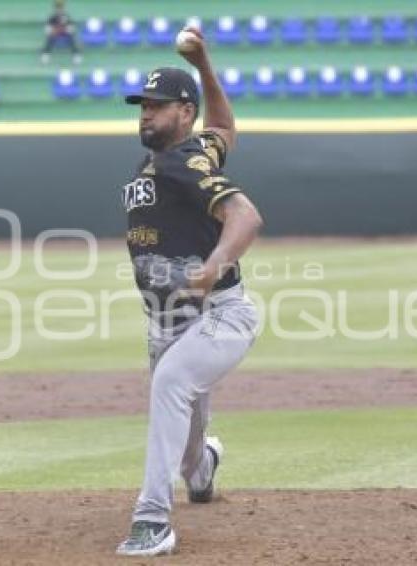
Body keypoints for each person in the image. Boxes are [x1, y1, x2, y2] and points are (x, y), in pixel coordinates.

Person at [116, 28, 263, 557]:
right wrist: (203, 61)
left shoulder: (185, 164)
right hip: (166, 325)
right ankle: (203, 472)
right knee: (187, 447)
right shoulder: (194, 151)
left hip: (220, 312)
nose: (144, 113)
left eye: (156, 106)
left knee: (171, 387)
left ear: (184, 111)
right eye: (141, 105)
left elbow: (245, 215)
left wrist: (215, 264)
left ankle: (153, 520)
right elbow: (223, 124)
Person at [40, 0, 82, 64]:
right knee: (50, 38)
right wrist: (52, 31)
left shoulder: (67, 17)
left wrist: (67, 30)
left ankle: (76, 55)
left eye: (61, 8)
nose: (59, 9)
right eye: (57, 8)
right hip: (55, 34)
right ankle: (46, 54)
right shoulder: (52, 17)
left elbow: (72, 27)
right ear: (55, 9)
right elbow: (47, 28)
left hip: (65, 34)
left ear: (63, 8)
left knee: (71, 38)